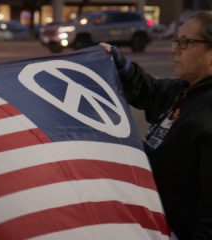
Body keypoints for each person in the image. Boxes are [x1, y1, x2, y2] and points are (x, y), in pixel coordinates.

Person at [100, 11, 212, 240]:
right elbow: (150, 92)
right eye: (176, 40)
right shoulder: (184, 89)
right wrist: (121, 66)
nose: (175, 49)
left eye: (186, 42)